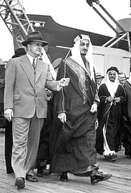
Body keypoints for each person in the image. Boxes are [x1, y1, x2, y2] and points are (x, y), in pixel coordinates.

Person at [4, 31, 69, 189]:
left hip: (39, 109)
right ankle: (19, 174)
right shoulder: (15, 63)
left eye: (41, 45)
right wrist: (8, 107)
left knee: (34, 143)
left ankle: (27, 169)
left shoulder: (44, 65)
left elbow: (49, 84)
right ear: (28, 46)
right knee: (20, 143)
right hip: (20, 108)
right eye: (37, 45)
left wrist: (59, 83)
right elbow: (9, 87)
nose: (40, 48)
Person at [50, 34, 112, 185]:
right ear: (77, 46)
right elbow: (62, 89)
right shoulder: (66, 63)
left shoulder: (90, 65)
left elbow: (94, 87)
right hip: (71, 110)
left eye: (87, 45)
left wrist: (96, 102)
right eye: (82, 44)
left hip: (87, 111)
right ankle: (63, 169)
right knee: (68, 142)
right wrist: (61, 110)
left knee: (88, 142)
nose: (85, 47)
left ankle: (93, 171)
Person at [96, 66, 126, 161]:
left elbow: (124, 98)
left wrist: (119, 99)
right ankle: (109, 151)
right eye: (110, 74)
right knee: (106, 131)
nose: (112, 76)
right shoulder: (103, 86)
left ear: (116, 75)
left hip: (116, 113)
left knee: (114, 132)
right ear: (107, 75)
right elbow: (99, 98)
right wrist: (106, 99)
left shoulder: (120, 87)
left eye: (114, 74)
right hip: (105, 113)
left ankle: (110, 151)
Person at [4, 48, 26, 174]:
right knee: (17, 141)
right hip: (16, 108)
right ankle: (16, 166)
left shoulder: (12, 64)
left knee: (10, 139)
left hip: (12, 108)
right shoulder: (15, 65)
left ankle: (10, 166)